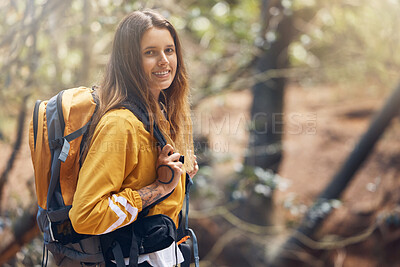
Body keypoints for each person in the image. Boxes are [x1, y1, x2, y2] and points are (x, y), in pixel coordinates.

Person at [69, 9, 198, 266]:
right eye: (150, 52)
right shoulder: (120, 124)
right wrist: (158, 189)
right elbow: (85, 215)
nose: (164, 60)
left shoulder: (162, 113)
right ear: (129, 60)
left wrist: (181, 176)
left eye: (169, 50)